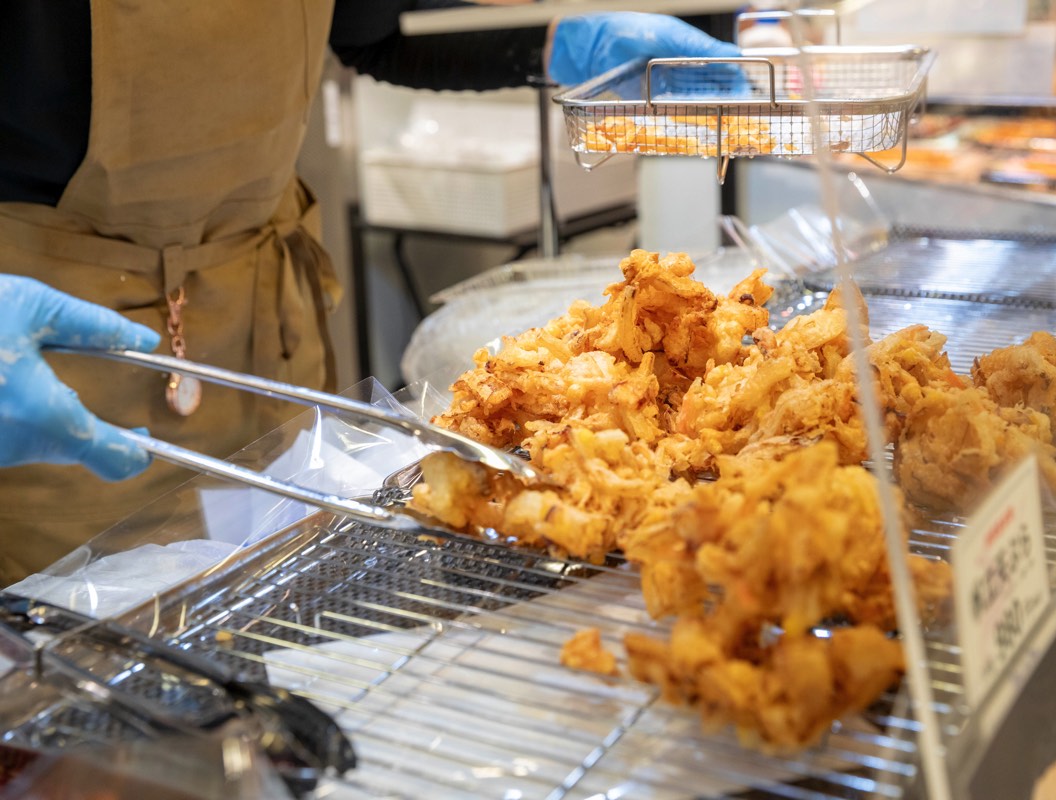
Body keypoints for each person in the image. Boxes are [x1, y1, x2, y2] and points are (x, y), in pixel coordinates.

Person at [0, 2, 740, 584]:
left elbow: (376, 29)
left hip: (259, 319)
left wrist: (559, 43)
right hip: (53, 345)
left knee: (278, 619)